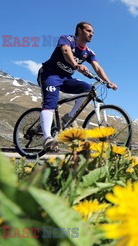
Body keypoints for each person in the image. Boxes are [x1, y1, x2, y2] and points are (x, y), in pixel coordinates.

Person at [37, 21, 117, 151]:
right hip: (49, 74)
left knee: (87, 89)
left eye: (93, 32)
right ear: (79, 30)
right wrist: (76, 65)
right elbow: (65, 51)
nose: (91, 34)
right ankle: (47, 138)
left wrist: (108, 81)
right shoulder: (67, 39)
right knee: (50, 103)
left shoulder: (88, 52)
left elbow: (97, 67)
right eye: (88, 31)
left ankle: (69, 117)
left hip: (66, 79)